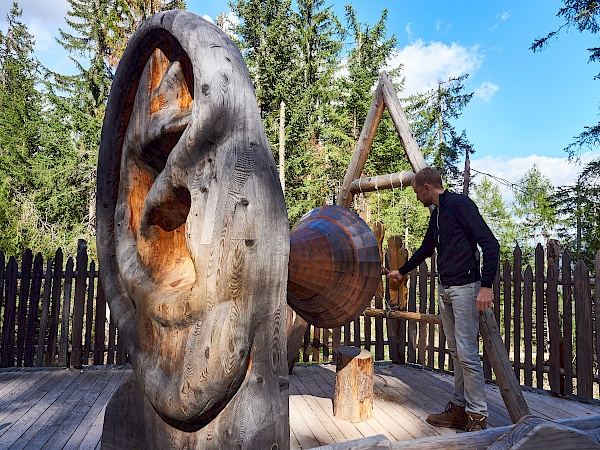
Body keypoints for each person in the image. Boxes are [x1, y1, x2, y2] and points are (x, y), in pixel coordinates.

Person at [387, 167, 499, 432]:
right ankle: (459, 408)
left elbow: (490, 244)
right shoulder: (437, 214)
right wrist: (401, 271)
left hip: (466, 289)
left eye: (417, 192)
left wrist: (486, 287)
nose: (416, 198)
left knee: (468, 354)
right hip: (445, 289)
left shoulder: (460, 205)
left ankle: (477, 418)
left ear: (426, 187)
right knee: (455, 353)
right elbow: (427, 247)